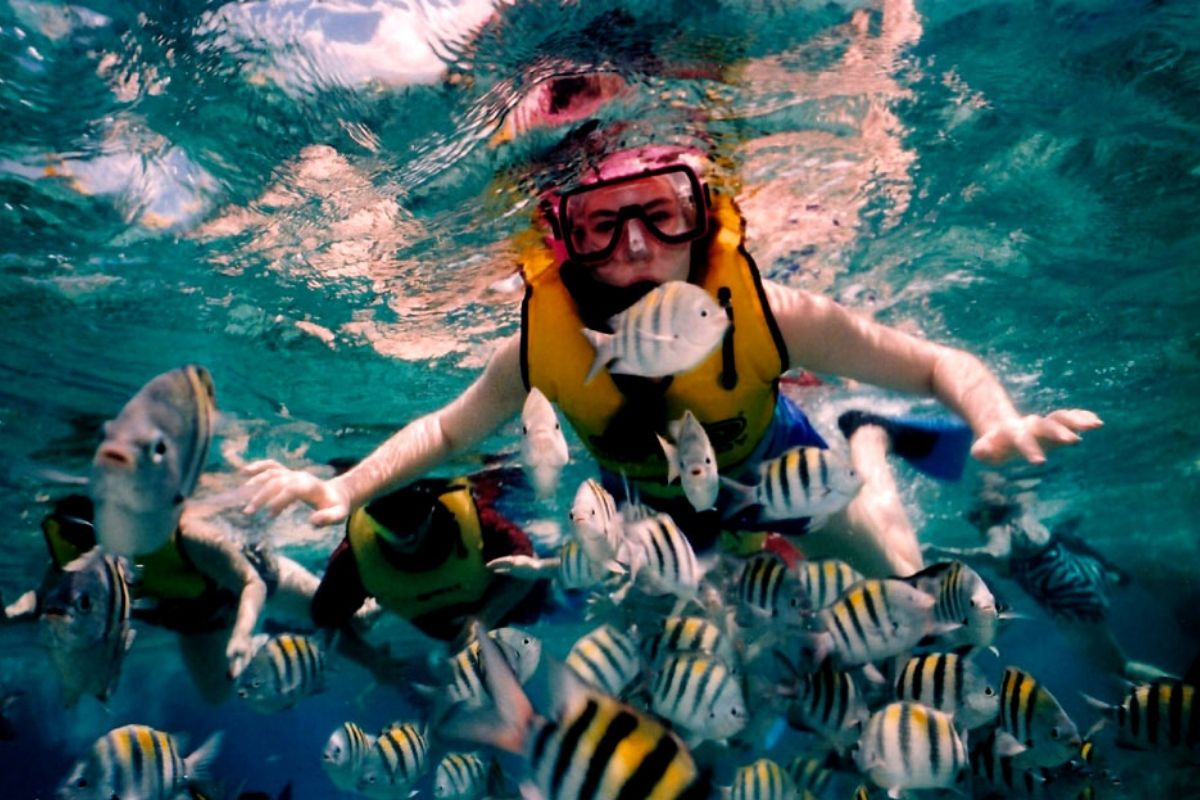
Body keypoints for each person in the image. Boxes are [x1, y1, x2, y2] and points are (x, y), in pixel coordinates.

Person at [241, 146, 1100, 579]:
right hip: (641, 505)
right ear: (562, 242)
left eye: (659, 214)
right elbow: (448, 427)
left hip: (775, 464)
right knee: (663, 639)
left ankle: (865, 451)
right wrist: (344, 489)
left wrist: (993, 417)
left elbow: (935, 365)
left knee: (903, 577)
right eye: (601, 226)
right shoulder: (538, 347)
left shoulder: (773, 316)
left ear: (704, 219)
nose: (637, 246)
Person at [310, 466, 546, 642]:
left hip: (512, 610)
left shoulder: (476, 522)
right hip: (448, 635)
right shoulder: (354, 558)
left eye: (414, 510)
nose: (405, 530)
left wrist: (484, 619)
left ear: (432, 501)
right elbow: (327, 618)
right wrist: (375, 663)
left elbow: (528, 562)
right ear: (369, 513)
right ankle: (382, 606)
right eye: (387, 516)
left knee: (540, 605)